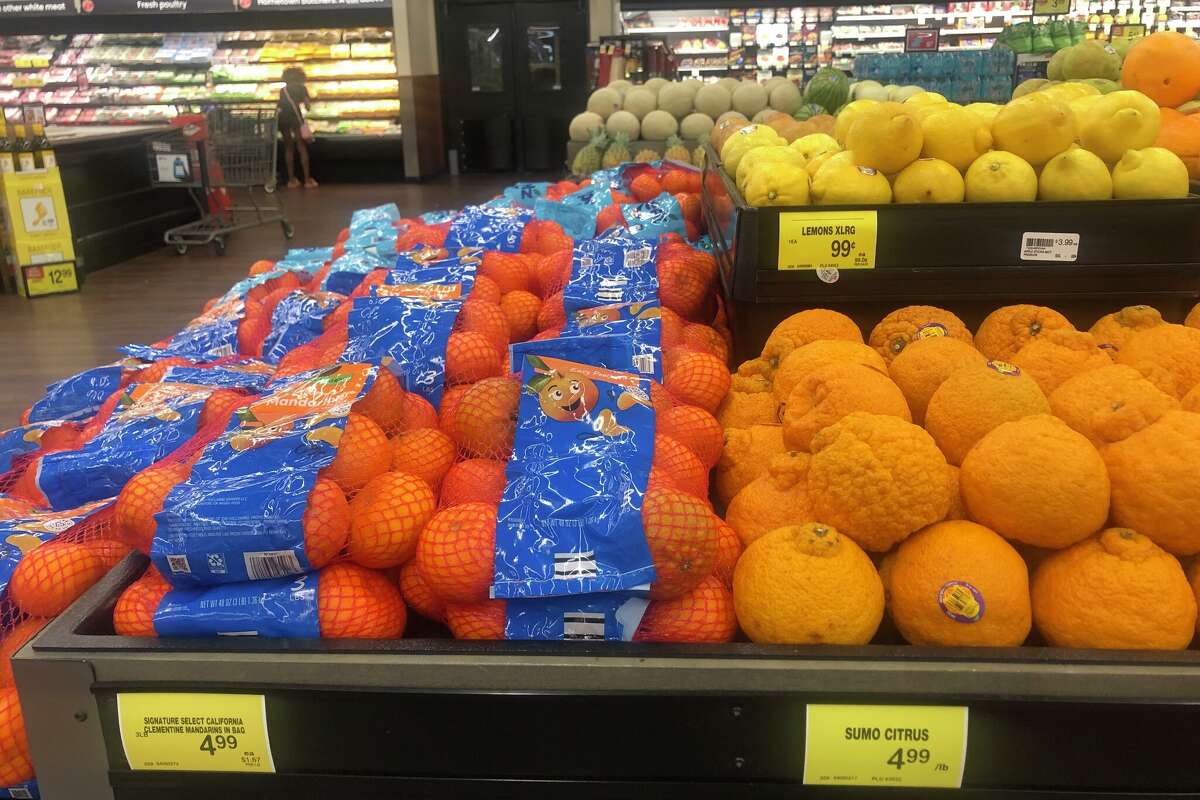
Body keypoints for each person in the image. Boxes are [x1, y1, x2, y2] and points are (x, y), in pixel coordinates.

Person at [278, 66, 317, 189]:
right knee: (301, 147)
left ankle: (291, 180)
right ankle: (307, 180)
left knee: (289, 148)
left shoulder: (283, 90)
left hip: (283, 120)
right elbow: (307, 107)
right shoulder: (302, 88)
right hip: (296, 119)